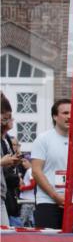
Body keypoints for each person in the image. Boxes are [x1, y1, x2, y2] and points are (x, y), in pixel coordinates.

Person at [31, 99, 71, 229]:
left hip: (72, 204)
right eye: (65, 113)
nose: (69, 116)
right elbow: (36, 171)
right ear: (54, 116)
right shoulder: (43, 139)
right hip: (48, 202)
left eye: (72, 113)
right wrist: (55, 196)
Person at [1, 95, 24, 225]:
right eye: (6, 117)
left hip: (3, 196)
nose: (10, 120)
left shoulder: (6, 139)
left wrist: (11, 163)